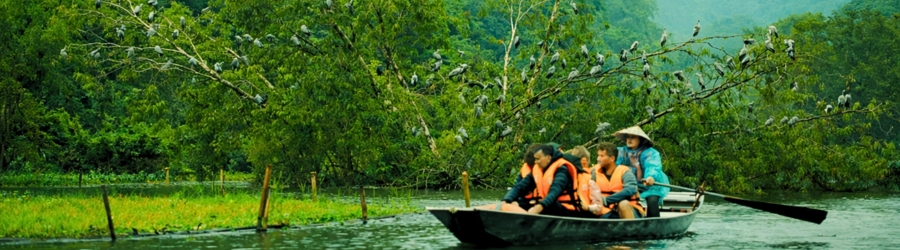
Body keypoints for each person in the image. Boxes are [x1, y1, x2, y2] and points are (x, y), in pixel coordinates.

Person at [498, 144, 592, 217]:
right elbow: (520, 186)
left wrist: (539, 207)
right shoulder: (538, 169)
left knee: (549, 205)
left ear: (548, 158)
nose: (535, 162)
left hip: (567, 211)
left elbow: (554, 192)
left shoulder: (563, 169)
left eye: (538, 159)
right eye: (535, 159)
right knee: (521, 201)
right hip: (547, 206)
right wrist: (506, 200)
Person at [613, 126, 670, 218]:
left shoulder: (650, 153)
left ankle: (655, 224)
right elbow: (613, 165)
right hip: (628, 184)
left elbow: (652, 166)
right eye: (628, 137)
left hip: (649, 185)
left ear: (640, 139)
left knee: (652, 200)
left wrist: (650, 177)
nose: (629, 140)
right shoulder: (621, 151)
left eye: (633, 137)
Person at [586, 142, 645, 219]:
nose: (598, 159)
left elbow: (631, 189)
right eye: (598, 155)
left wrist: (606, 200)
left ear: (612, 158)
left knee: (623, 204)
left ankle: (631, 230)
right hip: (605, 211)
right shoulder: (593, 172)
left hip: (629, 210)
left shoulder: (625, 172)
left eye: (602, 156)